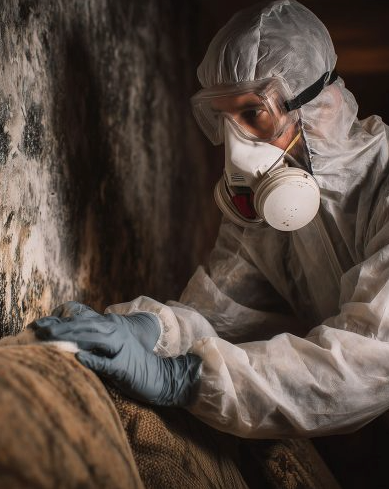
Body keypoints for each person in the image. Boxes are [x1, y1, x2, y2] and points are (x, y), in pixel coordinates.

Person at [31, 0, 389, 438]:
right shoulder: (259, 212)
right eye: (223, 119)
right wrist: (153, 329)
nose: (236, 150)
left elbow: (370, 359)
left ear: (324, 106)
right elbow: (219, 316)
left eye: (253, 114)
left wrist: (185, 380)